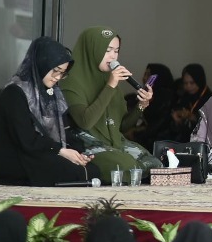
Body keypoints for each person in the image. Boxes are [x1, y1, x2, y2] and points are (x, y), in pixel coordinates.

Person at [0, 37, 97, 186]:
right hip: (19, 156)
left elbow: (66, 130)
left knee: (92, 170)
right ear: (41, 64)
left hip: (44, 153)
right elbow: (25, 138)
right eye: (55, 71)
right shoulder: (15, 92)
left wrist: (79, 153)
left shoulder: (53, 93)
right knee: (73, 172)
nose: (58, 77)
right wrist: (61, 151)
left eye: (62, 73)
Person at [60, 26, 155, 180]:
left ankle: (134, 171)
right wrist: (110, 86)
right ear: (91, 50)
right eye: (107, 50)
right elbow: (85, 122)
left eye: (116, 51)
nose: (113, 56)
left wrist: (141, 105)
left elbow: (123, 127)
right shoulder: (70, 81)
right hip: (87, 145)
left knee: (155, 164)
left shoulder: (109, 79)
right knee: (125, 167)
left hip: (115, 144)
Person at [168, 64, 212, 140]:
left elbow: (211, 124)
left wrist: (193, 117)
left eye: (192, 83)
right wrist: (177, 119)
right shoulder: (184, 96)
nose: (188, 86)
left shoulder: (209, 99)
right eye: (185, 83)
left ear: (199, 81)